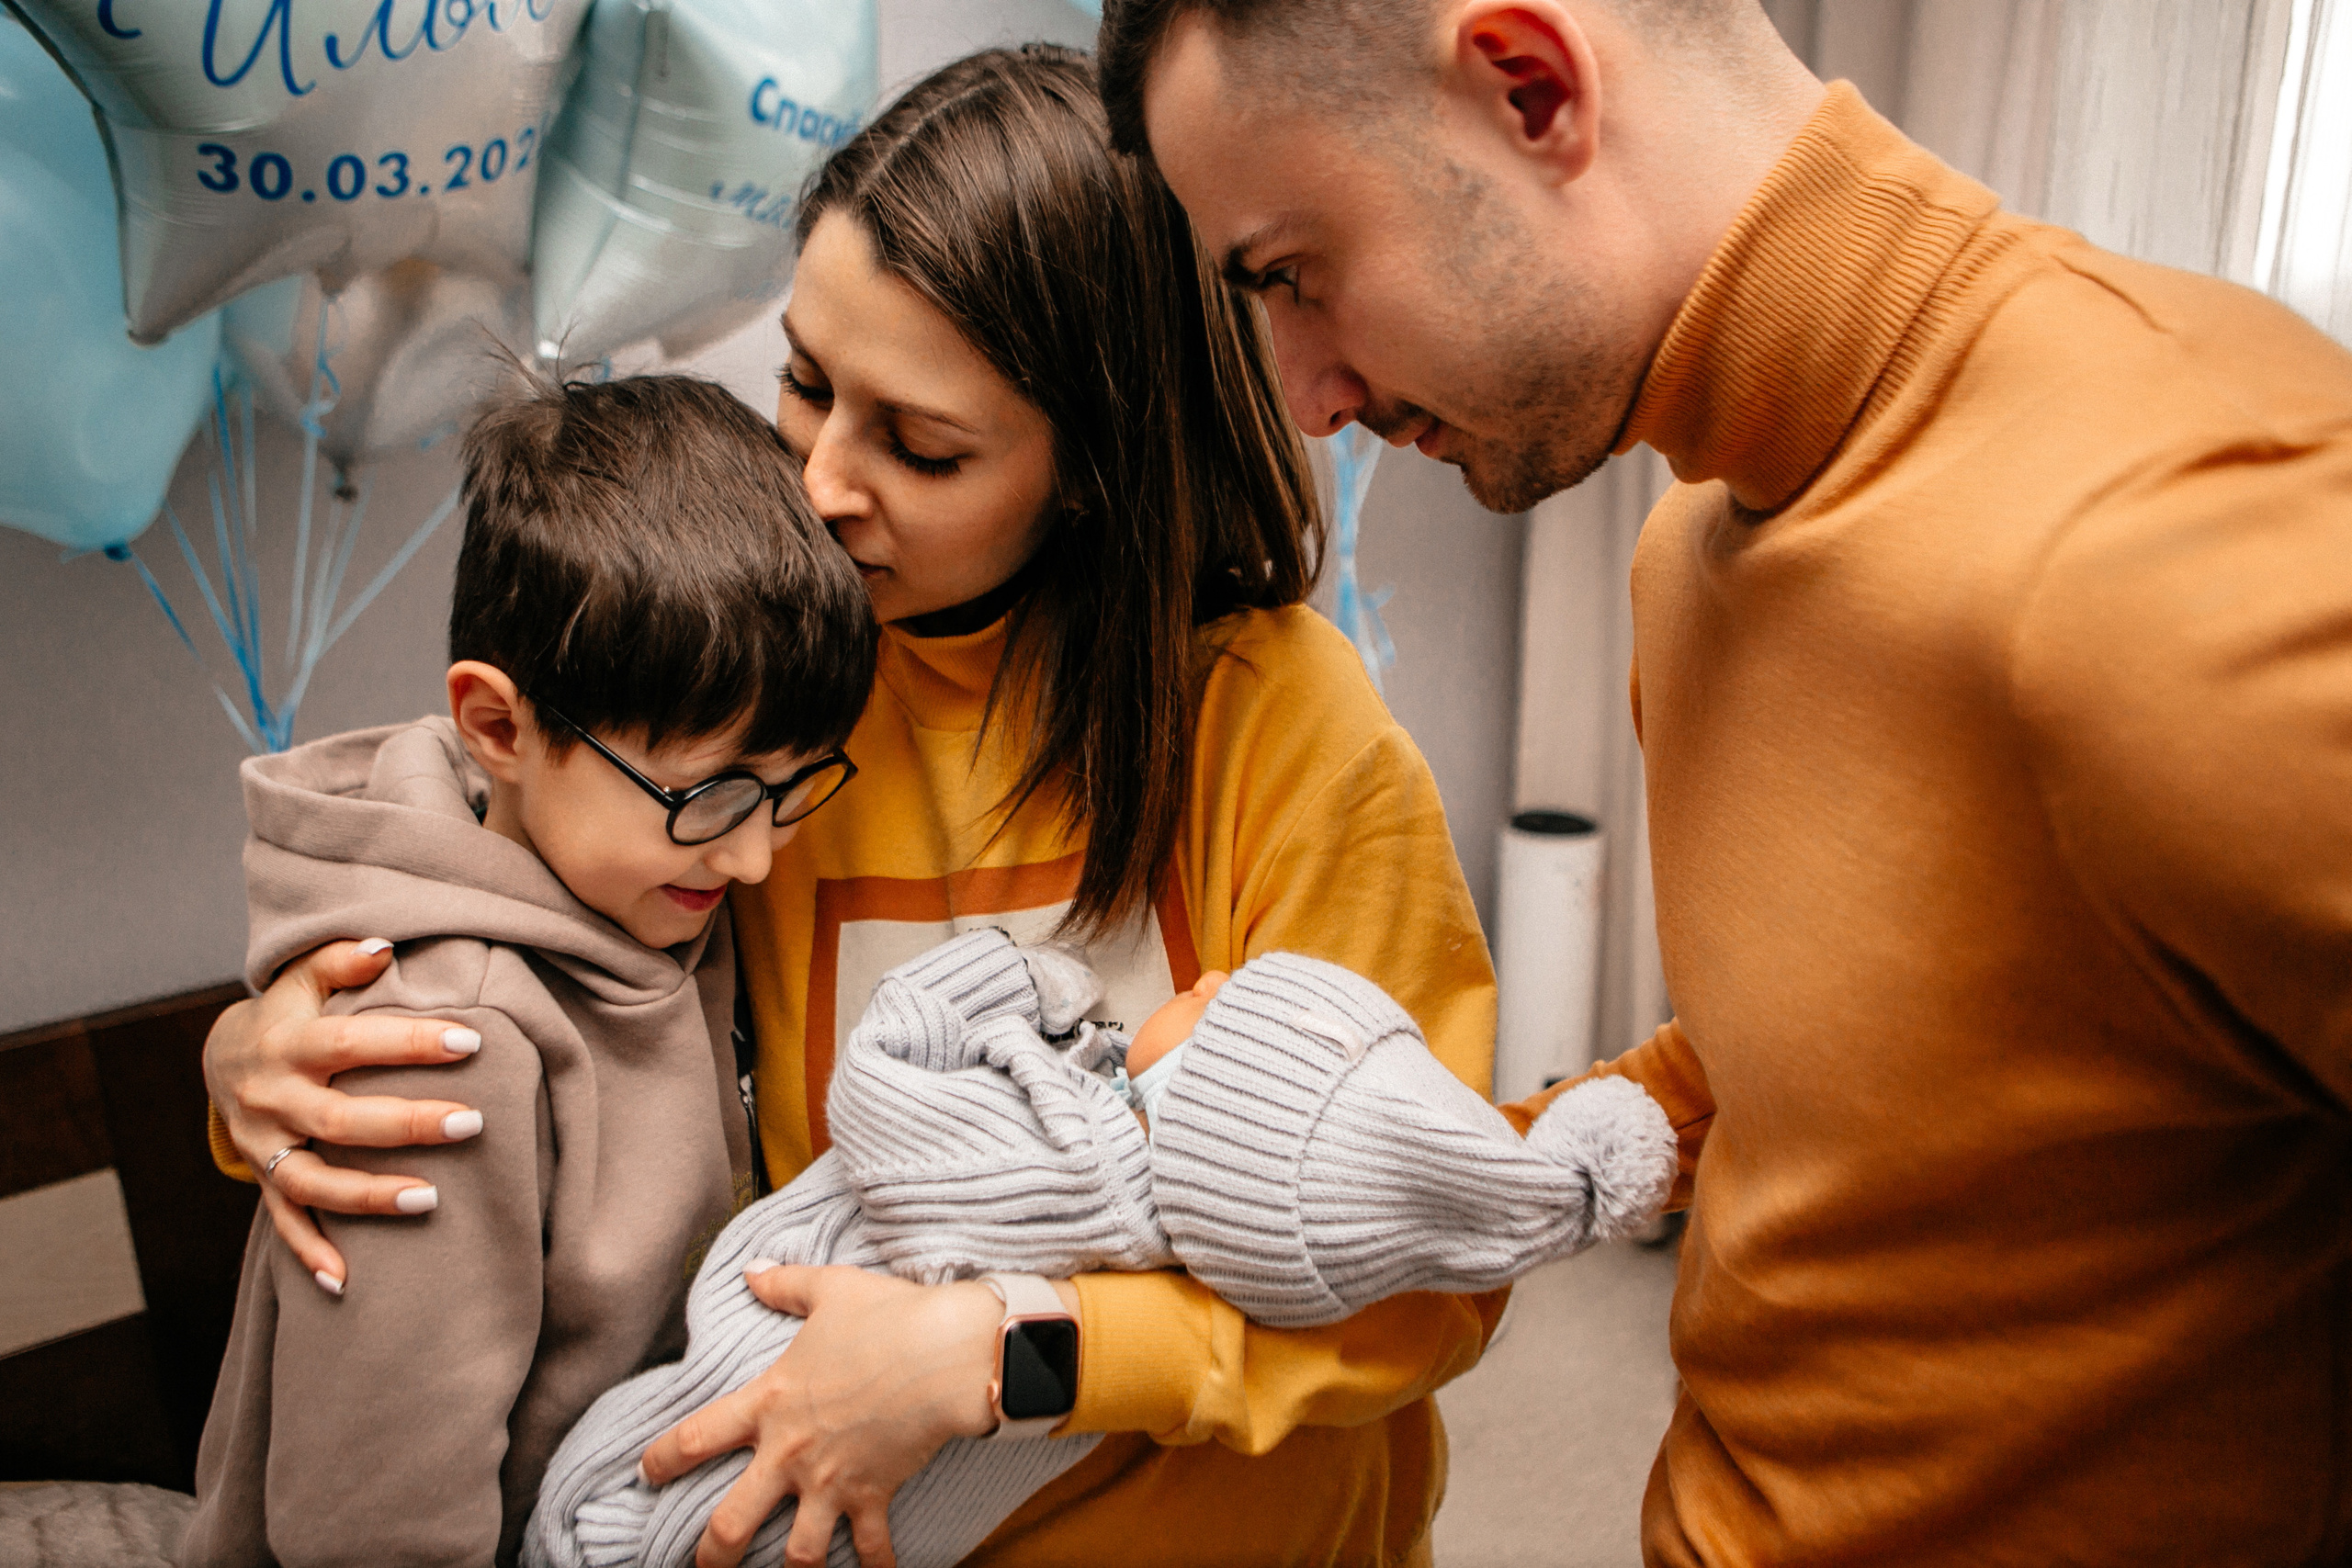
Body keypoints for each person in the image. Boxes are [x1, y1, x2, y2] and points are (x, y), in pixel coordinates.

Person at [201, 46, 1503, 1568]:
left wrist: (1007, 1359)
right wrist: (263, 1061)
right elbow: (483, 893)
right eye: (805, 384)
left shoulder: (1288, 735)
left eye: (921, 445)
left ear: (1092, 467)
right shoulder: (771, 685)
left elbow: (1429, 1268)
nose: (818, 484)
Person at [1101, 0, 2352, 1563]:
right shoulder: (1689, 556)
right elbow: (1844, 1061)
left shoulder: (2190, 527)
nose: (1305, 397)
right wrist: (1430, 1157)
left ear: (1530, 86)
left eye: (1295, 274)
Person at [179, 372, 876, 1568]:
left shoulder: (641, 871)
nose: (756, 857)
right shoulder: (446, 1046)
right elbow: (374, 1523)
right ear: (499, 728)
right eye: (710, 794)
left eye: (794, 785)